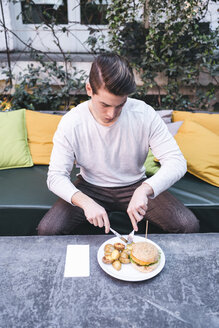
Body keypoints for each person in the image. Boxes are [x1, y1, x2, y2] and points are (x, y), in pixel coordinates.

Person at [37, 53, 199, 235]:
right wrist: (85, 202)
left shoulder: (144, 114)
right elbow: (56, 177)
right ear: (89, 89)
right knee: (48, 229)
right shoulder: (71, 122)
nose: (111, 114)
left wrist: (145, 190)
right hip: (90, 187)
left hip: (135, 185)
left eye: (120, 105)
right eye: (105, 105)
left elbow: (176, 161)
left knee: (188, 224)